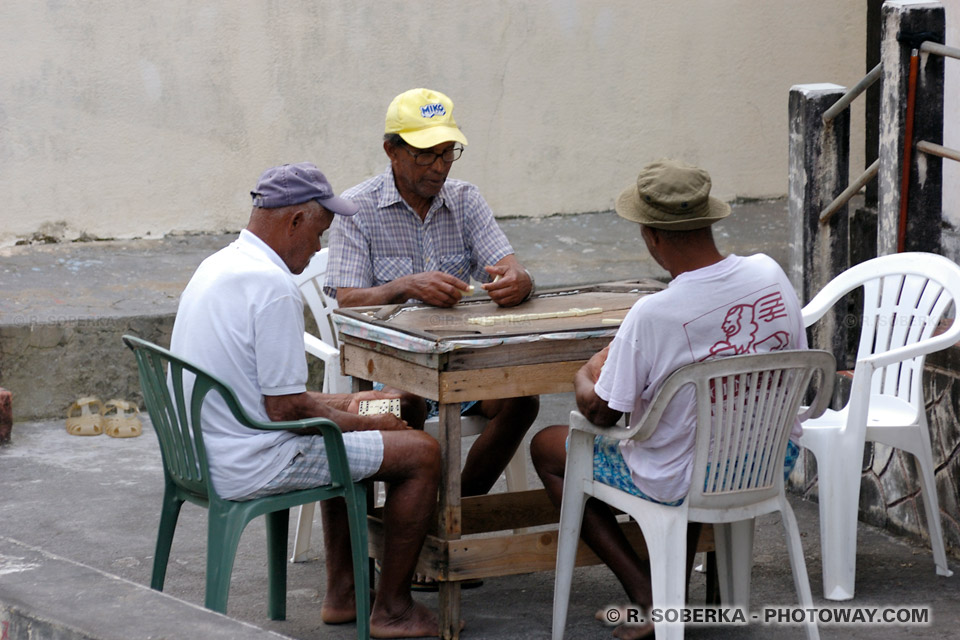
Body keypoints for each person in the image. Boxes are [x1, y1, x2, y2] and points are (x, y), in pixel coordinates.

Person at [529, 160, 807, 640]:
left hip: (685, 477)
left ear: (651, 236)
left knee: (549, 447)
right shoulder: (769, 273)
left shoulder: (653, 314)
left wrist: (584, 372)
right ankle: (665, 588)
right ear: (709, 219)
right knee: (679, 431)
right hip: (767, 460)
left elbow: (600, 411)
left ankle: (649, 595)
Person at [169, 162, 443, 638]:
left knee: (398, 403)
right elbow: (288, 411)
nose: (319, 248)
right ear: (294, 220)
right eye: (319, 234)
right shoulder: (272, 287)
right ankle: (393, 609)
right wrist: (365, 425)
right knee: (422, 452)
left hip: (211, 448)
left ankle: (343, 591)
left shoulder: (220, 263)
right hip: (258, 457)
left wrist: (363, 412)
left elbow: (277, 396)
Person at [325, 88, 539, 500]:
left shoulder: (465, 199)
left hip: (460, 370)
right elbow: (347, 302)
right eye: (425, 154)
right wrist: (404, 286)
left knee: (521, 402)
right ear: (392, 151)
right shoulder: (357, 208)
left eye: (447, 153)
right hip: (383, 382)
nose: (439, 167)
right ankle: (412, 520)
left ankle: (452, 511)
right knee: (403, 402)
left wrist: (521, 280)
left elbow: (509, 266)